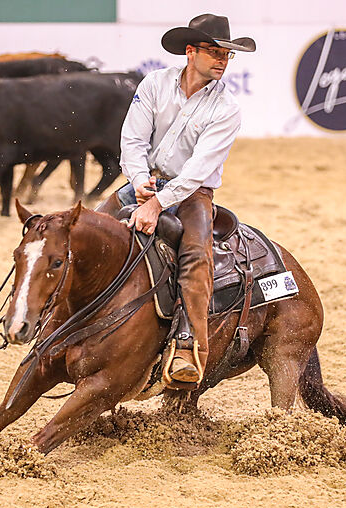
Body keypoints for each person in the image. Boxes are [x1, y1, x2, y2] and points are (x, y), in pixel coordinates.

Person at [96, 13, 255, 388]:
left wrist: (156, 203)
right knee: (88, 232)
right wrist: (139, 181)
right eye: (214, 52)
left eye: (226, 54)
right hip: (146, 181)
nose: (221, 60)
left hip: (192, 194)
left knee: (197, 256)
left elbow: (197, 171)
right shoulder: (155, 84)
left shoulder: (226, 108)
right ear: (190, 51)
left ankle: (187, 348)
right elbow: (132, 140)